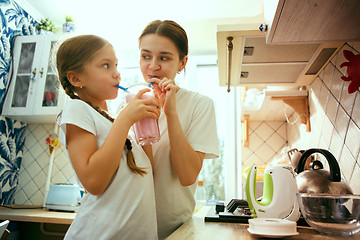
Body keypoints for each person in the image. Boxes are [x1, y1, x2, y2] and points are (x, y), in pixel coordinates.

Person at [56, 34, 160, 240]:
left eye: (116, 65)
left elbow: (147, 173)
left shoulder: (113, 122)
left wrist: (141, 123)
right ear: (76, 78)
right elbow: (93, 182)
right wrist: (125, 119)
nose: (117, 74)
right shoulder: (77, 109)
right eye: (105, 66)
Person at [138, 20, 220, 239]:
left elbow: (187, 175)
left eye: (164, 57)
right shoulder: (129, 107)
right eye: (146, 56)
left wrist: (171, 113)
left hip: (173, 231)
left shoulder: (199, 105)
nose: (153, 66)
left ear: (183, 62)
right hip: (131, 226)